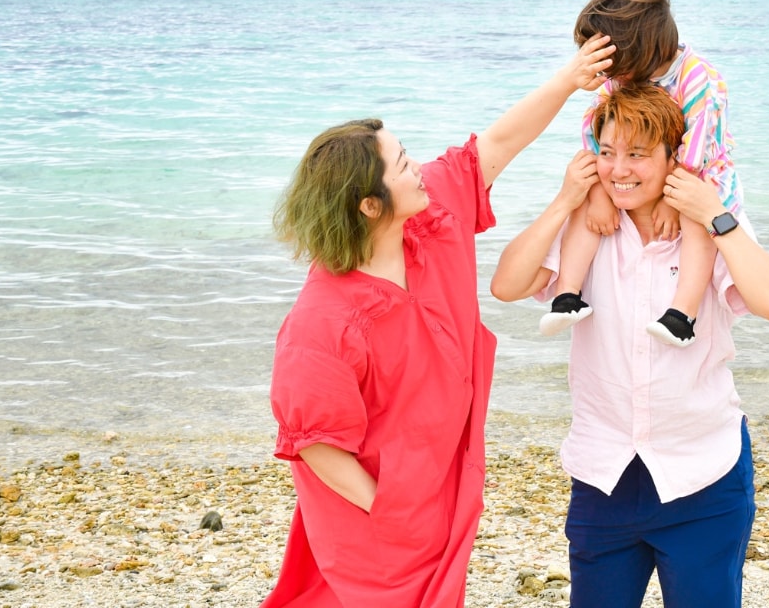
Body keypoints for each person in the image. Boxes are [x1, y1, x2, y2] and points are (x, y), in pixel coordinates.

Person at [260, 33, 615, 608]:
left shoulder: (433, 220)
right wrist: (394, 510)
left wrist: (569, 78)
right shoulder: (322, 320)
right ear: (370, 205)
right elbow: (316, 445)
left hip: (443, 488)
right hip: (379, 524)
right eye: (403, 164)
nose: (418, 168)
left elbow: (495, 145)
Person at [490, 83, 769, 608]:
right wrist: (566, 199)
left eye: (636, 155)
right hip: (603, 475)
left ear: (675, 158)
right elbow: (507, 285)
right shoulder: (591, 224)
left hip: (704, 474)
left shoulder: (710, 227)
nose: (618, 169)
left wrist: (717, 214)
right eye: (606, 153)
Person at [539, 0, 743, 348]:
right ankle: (567, 296)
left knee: (697, 224)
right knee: (587, 199)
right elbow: (595, 128)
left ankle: (682, 315)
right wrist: (599, 193)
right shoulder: (624, 77)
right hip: (644, 170)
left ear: (644, 50)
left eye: (612, 63)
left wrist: (670, 200)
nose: (606, 74)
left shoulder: (697, 78)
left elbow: (698, 149)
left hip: (697, 173)